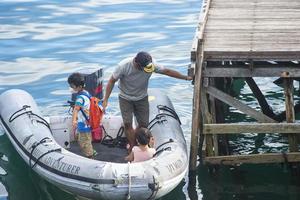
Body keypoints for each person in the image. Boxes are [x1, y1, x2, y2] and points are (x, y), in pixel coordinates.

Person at [103, 51, 193, 152]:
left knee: (144, 124)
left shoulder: (152, 65)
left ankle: (137, 142)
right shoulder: (123, 66)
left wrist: (185, 78)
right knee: (127, 123)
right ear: (137, 63)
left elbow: (167, 71)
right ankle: (132, 147)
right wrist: (106, 99)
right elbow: (111, 81)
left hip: (142, 97)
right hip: (125, 97)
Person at [68, 73, 95, 158]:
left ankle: (90, 157)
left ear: (79, 87)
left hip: (83, 124)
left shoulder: (80, 98)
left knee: (84, 142)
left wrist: (74, 120)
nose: (71, 88)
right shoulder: (86, 93)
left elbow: (76, 109)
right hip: (88, 122)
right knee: (85, 139)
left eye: (72, 86)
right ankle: (90, 151)